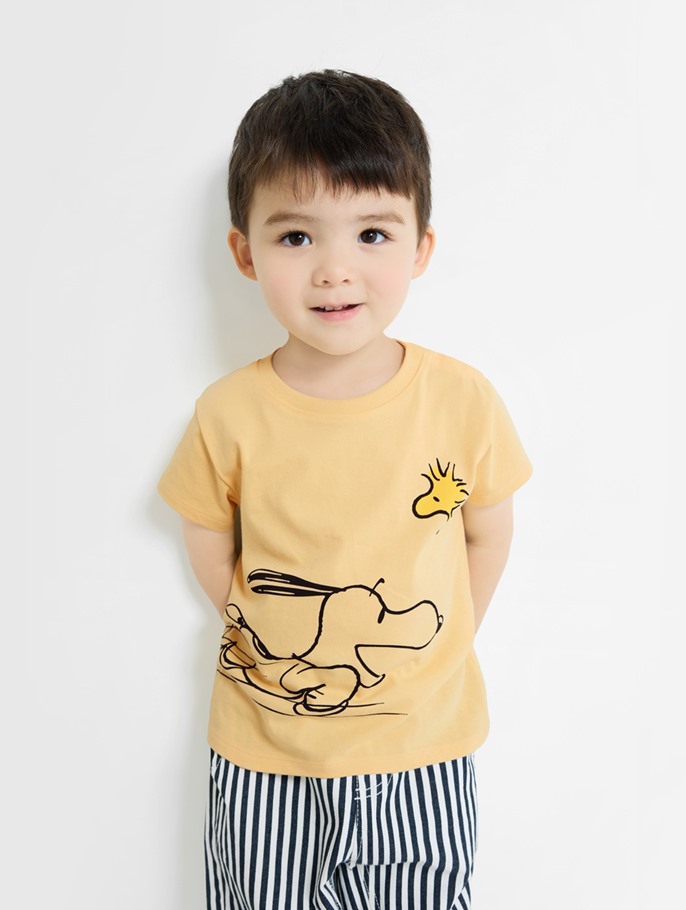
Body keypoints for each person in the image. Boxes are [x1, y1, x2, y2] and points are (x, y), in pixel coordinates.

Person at [158, 69, 532, 910]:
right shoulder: (229, 412)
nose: (335, 271)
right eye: (297, 237)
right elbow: (206, 531)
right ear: (245, 253)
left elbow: (488, 530)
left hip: (423, 754)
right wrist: (271, 628)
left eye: (371, 234)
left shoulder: (462, 400)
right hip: (264, 760)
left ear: (419, 248)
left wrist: (448, 638)